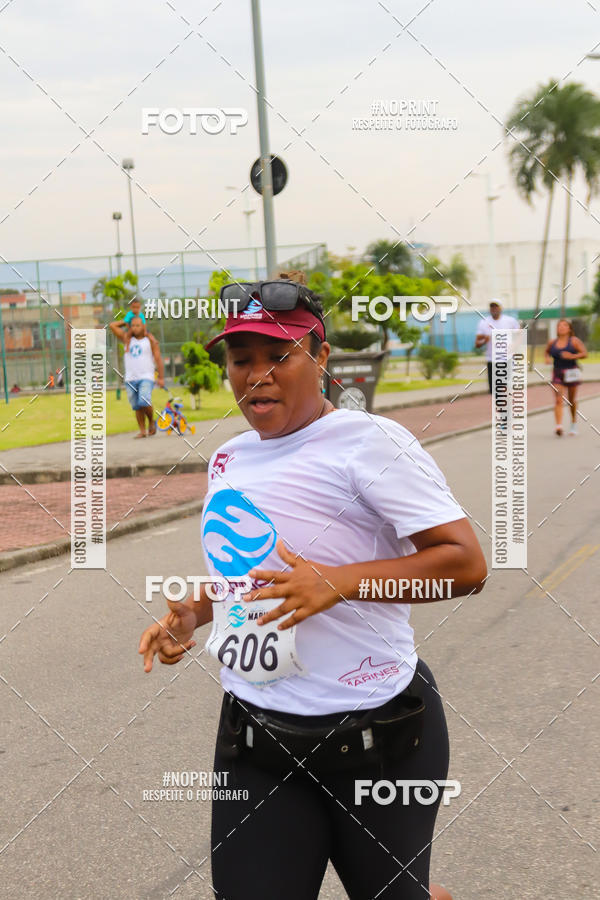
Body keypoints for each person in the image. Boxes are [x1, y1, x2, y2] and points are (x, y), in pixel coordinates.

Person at [138, 274, 487, 900]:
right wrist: (192, 611)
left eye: (280, 356)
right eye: (240, 359)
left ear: (321, 358)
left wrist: (340, 582)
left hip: (378, 736)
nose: (257, 374)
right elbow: (250, 573)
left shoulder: (369, 443)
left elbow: (466, 563)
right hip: (257, 736)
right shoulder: (230, 458)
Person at [109, 315, 164, 438]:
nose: (135, 328)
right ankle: (142, 430)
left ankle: (151, 422)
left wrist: (161, 377)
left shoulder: (150, 340)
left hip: (146, 376)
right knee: (137, 406)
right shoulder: (126, 339)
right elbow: (112, 325)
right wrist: (126, 321)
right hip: (130, 378)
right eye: (133, 325)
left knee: (144, 400)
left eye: (138, 325)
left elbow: (158, 359)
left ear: (144, 326)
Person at [545, 318, 587, 436]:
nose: (561, 327)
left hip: (572, 372)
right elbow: (547, 351)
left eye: (564, 325)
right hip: (557, 372)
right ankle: (559, 426)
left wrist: (572, 356)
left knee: (571, 400)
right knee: (558, 399)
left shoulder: (574, 341)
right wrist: (547, 358)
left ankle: (573, 424)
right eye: (559, 326)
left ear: (569, 329)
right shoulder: (552, 342)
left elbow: (584, 354)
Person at [475, 300, 520, 393]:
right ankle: (501, 407)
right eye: (492, 307)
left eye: (496, 307)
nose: (494, 309)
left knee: (504, 388)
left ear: (500, 308)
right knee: (495, 391)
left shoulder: (510, 321)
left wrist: (515, 345)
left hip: (507, 359)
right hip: (492, 360)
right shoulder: (484, 322)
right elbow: (477, 343)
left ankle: (507, 406)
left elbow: (520, 335)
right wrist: (484, 340)